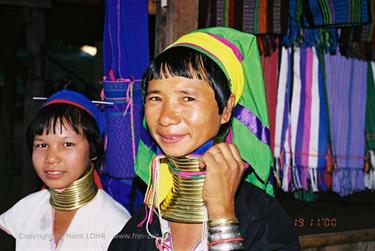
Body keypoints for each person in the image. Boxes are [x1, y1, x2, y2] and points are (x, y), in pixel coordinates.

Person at [109, 27, 300, 250]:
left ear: (226, 109)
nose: (166, 117)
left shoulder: (262, 218)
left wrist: (222, 213)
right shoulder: (147, 220)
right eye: (155, 98)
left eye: (188, 98)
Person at [0, 89, 131, 250]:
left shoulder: (114, 223)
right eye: (42, 145)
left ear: (93, 150)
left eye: (67, 144)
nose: (51, 158)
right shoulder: (24, 210)